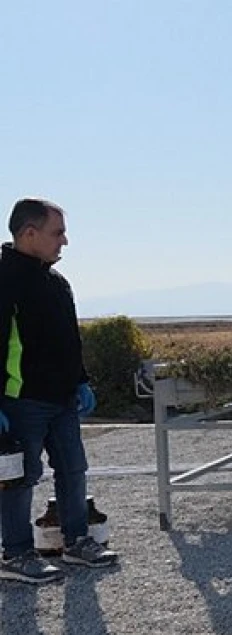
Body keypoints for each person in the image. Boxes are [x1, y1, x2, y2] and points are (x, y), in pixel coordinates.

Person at [0, 198, 119, 584]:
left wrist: (81, 380)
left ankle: (76, 541)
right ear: (29, 233)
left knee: (73, 469)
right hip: (22, 400)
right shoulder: (5, 280)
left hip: (63, 399)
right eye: (57, 233)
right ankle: (16, 554)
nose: (64, 241)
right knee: (21, 477)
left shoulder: (56, 281)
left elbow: (69, 338)